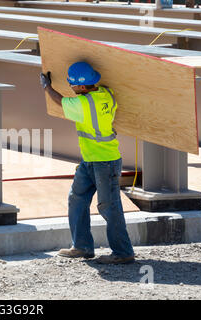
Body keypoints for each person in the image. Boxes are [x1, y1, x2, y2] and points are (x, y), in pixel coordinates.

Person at [40, 61, 135, 264]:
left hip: (104, 162)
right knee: (77, 199)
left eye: (73, 85)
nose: (71, 88)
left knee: (109, 207)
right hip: (91, 160)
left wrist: (47, 86)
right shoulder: (106, 93)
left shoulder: (83, 104)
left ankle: (123, 251)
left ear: (83, 86)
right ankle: (82, 246)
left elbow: (61, 101)